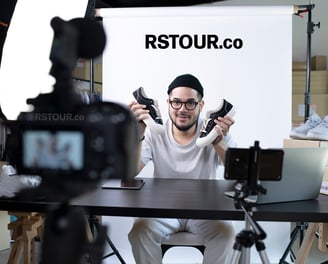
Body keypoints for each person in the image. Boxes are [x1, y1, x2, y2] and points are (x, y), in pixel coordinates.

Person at [128, 73, 236, 264]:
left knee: (227, 234)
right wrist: (138, 134)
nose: (182, 109)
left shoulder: (215, 130)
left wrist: (218, 142)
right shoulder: (155, 132)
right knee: (139, 231)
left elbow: (238, 172)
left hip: (205, 211)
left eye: (190, 103)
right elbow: (130, 173)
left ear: (201, 105)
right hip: (163, 210)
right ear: (168, 103)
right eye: (176, 102)